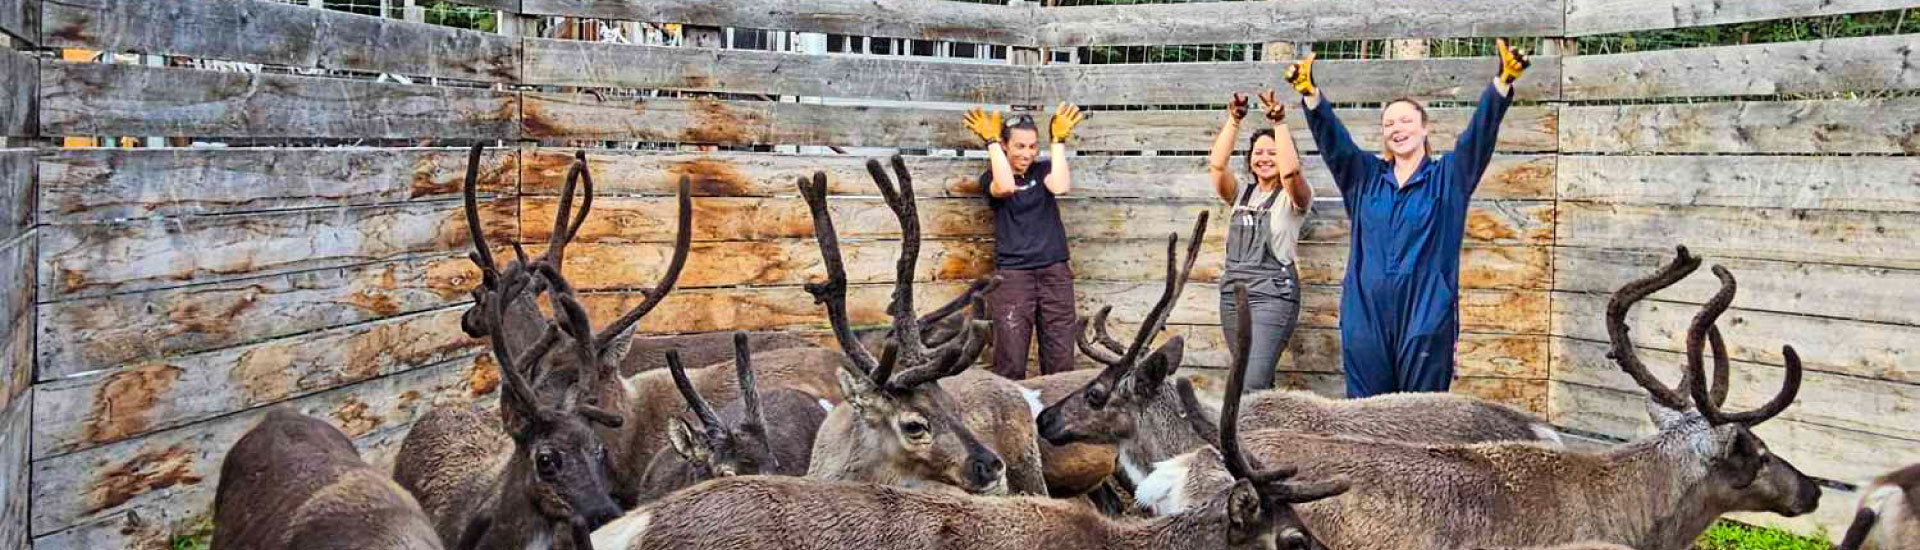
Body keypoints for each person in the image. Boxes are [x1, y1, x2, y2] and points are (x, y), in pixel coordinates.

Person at [1287, 39, 1531, 398]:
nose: (1396, 128)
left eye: (1405, 120)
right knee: (1367, 419)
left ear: (1424, 129)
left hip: (1427, 315)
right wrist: (1312, 96)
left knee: (1420, 419)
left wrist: (1501, 85)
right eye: (1388, 123)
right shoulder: (1364, 177)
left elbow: (1477, 138)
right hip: (1366, 317)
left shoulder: (1449, 178)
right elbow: (1334, 143)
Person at [962, 103, 1085, 380]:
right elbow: (1005, 187)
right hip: (1014, 276)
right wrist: (991, 142)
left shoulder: (1043, 172)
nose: (1027, 154)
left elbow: (1061, 186)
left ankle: (1057, 418)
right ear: (1005, 146)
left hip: (1055, 272)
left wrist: (1058, 141)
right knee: (1011, 359)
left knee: (1060, 358)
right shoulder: (991, 177)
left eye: (1032, 146)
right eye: (1019, 146)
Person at [1206, 90, 1313, 393]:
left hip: (1272, 297)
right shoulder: (1241, 194)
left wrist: (1279, 122)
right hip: (1234, 295)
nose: (1264, 158)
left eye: (1273, 152)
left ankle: (1257, 438)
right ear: (1250, 159)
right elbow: (1216, 166)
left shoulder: (1296, 198)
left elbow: (1291, 172)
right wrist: (1234, 120)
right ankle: (1264, 437)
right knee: (1247, 379)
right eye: (1258, 152)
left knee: (1251, 383)